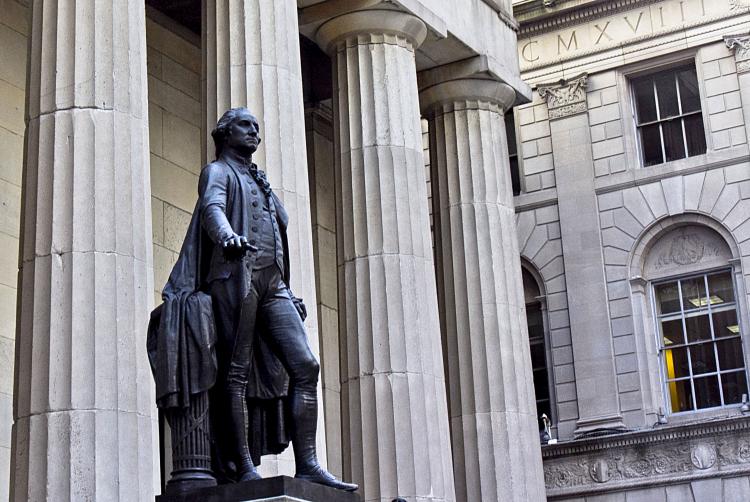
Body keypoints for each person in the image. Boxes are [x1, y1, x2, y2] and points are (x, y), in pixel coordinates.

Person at [150, 107, 356, 492]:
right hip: (234, 273)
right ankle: (243, 464)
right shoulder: (218, 171)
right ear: (225, 133)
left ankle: (308, 463)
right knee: (236, 371)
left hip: (272, 282)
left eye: (258, 129)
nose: (255, 134)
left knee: (305, 366)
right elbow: (212, 208)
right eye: (246, 126)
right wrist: (227, 237)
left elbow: (277, 230)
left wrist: (290, 289)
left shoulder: (258, 180)